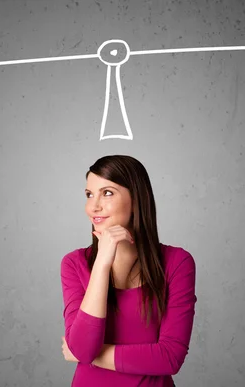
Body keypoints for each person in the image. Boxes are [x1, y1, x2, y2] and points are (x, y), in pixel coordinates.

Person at [60, 155, 196, 387]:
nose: (94, 206)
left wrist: (95, 356)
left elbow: (170, 357)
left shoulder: (177, 263)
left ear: (136, 199)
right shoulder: (74, 264)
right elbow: (83, 348)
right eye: (89, 195)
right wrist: (102, 262)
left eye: (108, 193)